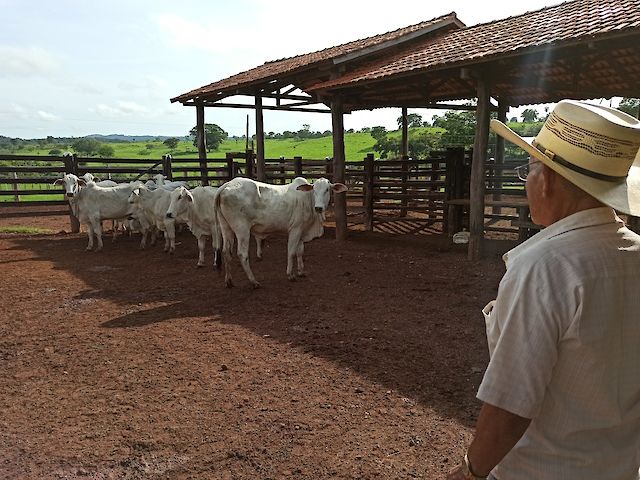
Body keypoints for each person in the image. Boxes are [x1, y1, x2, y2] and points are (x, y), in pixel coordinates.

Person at [447, 99, 640, 480]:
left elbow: (510, 404)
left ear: (547, 179)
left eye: (529, 168)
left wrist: (471, 471)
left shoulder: (544, 267)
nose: (528, 182)